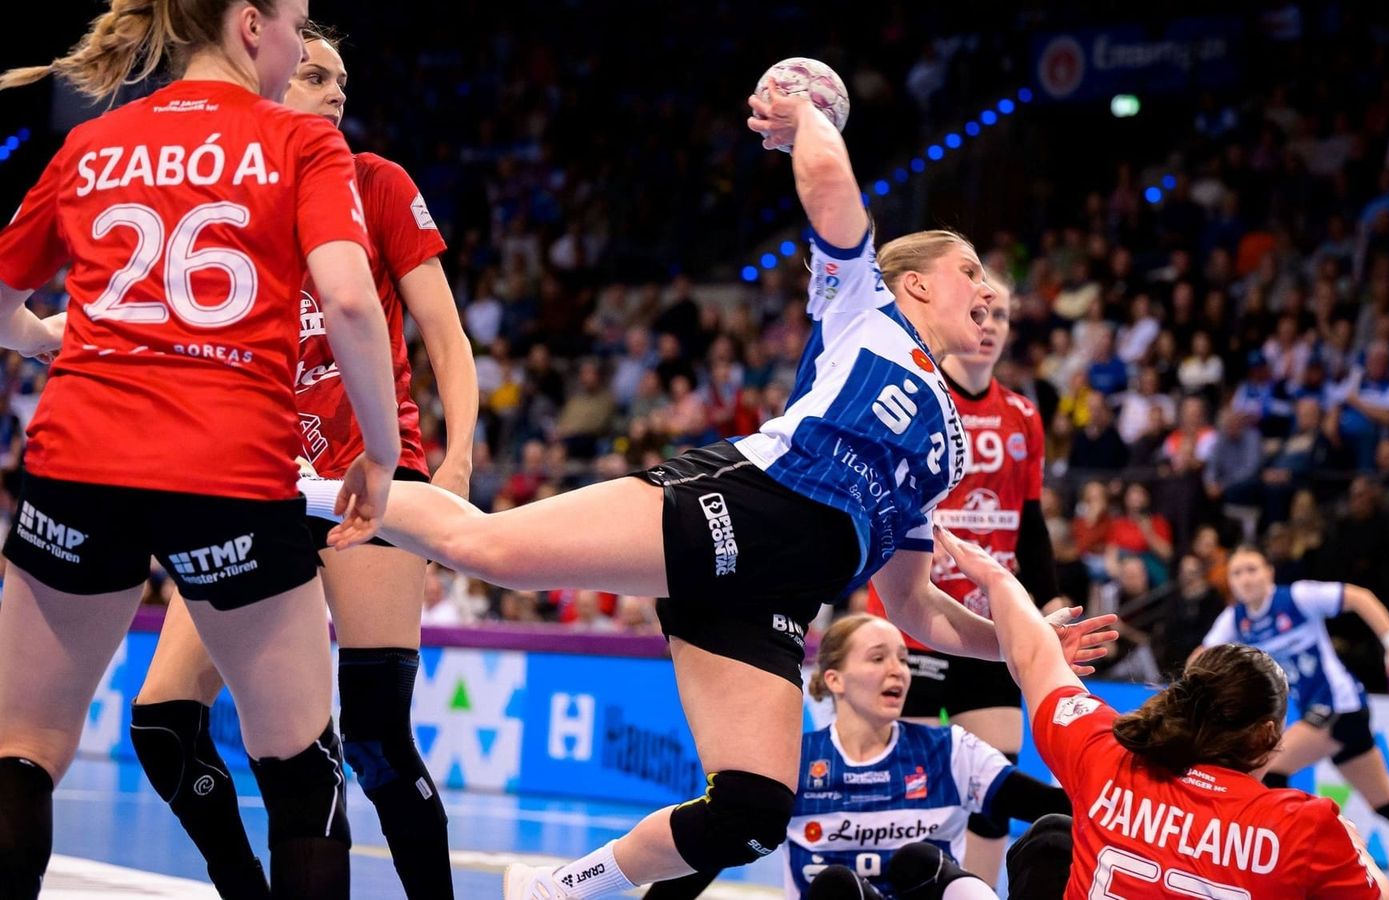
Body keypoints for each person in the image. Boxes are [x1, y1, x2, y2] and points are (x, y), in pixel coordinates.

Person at [299, 76, 1083, 900]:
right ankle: (293, 487)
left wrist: (1023, 643)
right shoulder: (866, 313)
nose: (987, 290)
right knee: (489, 549)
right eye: (969, 272)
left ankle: (554, 889)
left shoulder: (949, 450)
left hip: (780, 599)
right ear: (915, 283)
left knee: (751, 814)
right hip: (734, 511)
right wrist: (806, 116)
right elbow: (830, 187)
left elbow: (917, 606)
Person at [0, 1, 401, 897]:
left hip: (78, 461)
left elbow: (0, 297)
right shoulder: (301, 142)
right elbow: (348, 302)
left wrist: (40, 338)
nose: (301, 45)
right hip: (227, 467)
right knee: (301, 770)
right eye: (298, 25)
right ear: (251, 25)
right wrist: (378, 453)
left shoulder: (92, 143)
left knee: (22, 751)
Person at [125, 27, 476, 900]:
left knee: (376, 740)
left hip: (370, 477)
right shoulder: (223, 199)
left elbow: (445, 335)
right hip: (255, 489)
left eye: (342, 80)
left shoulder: (375, 182)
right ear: (268, 76)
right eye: (316, 74)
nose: (336, 90)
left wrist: (458, 464)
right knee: (163, 725)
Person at [935, 526, 1389, 899]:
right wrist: (1357, 853)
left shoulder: (1107, 758)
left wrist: (997, 579)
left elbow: (1034, 657)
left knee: (1050, 840)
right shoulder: (1308, 826)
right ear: (1268, 735)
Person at [642, 614, 1098, 899]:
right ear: (835, 680)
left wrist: (1043, 663)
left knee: (1050, 835)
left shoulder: (949, 750)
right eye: (878, 658)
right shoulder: (793, 761)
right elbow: (716, 847)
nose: (897, 670)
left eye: (902, 658)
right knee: (837, 887)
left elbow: (1053, 806)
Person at [861, 277, 1058, 885]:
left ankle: (976, 894)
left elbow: (1031, 521)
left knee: (995, 790)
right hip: (915, 620)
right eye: (979, 311)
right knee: (909, 794)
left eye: (1000, 314)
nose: (989, 325)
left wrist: (1046, 604)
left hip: (986, 625)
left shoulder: (1024, 415)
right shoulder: (916, 396)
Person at [1197, 548, 1389, 899]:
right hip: (1327, 716)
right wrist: (1192, 695)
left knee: (1265, 763)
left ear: (1269, 573)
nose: (1245, 578)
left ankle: (1278, 861)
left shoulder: (1297, 597)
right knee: (1385, 802)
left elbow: (1360, 598)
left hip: (1340, 707)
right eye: (1237, 573)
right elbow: (1202, 656)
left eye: (1252, 569)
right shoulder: (1234, 619)